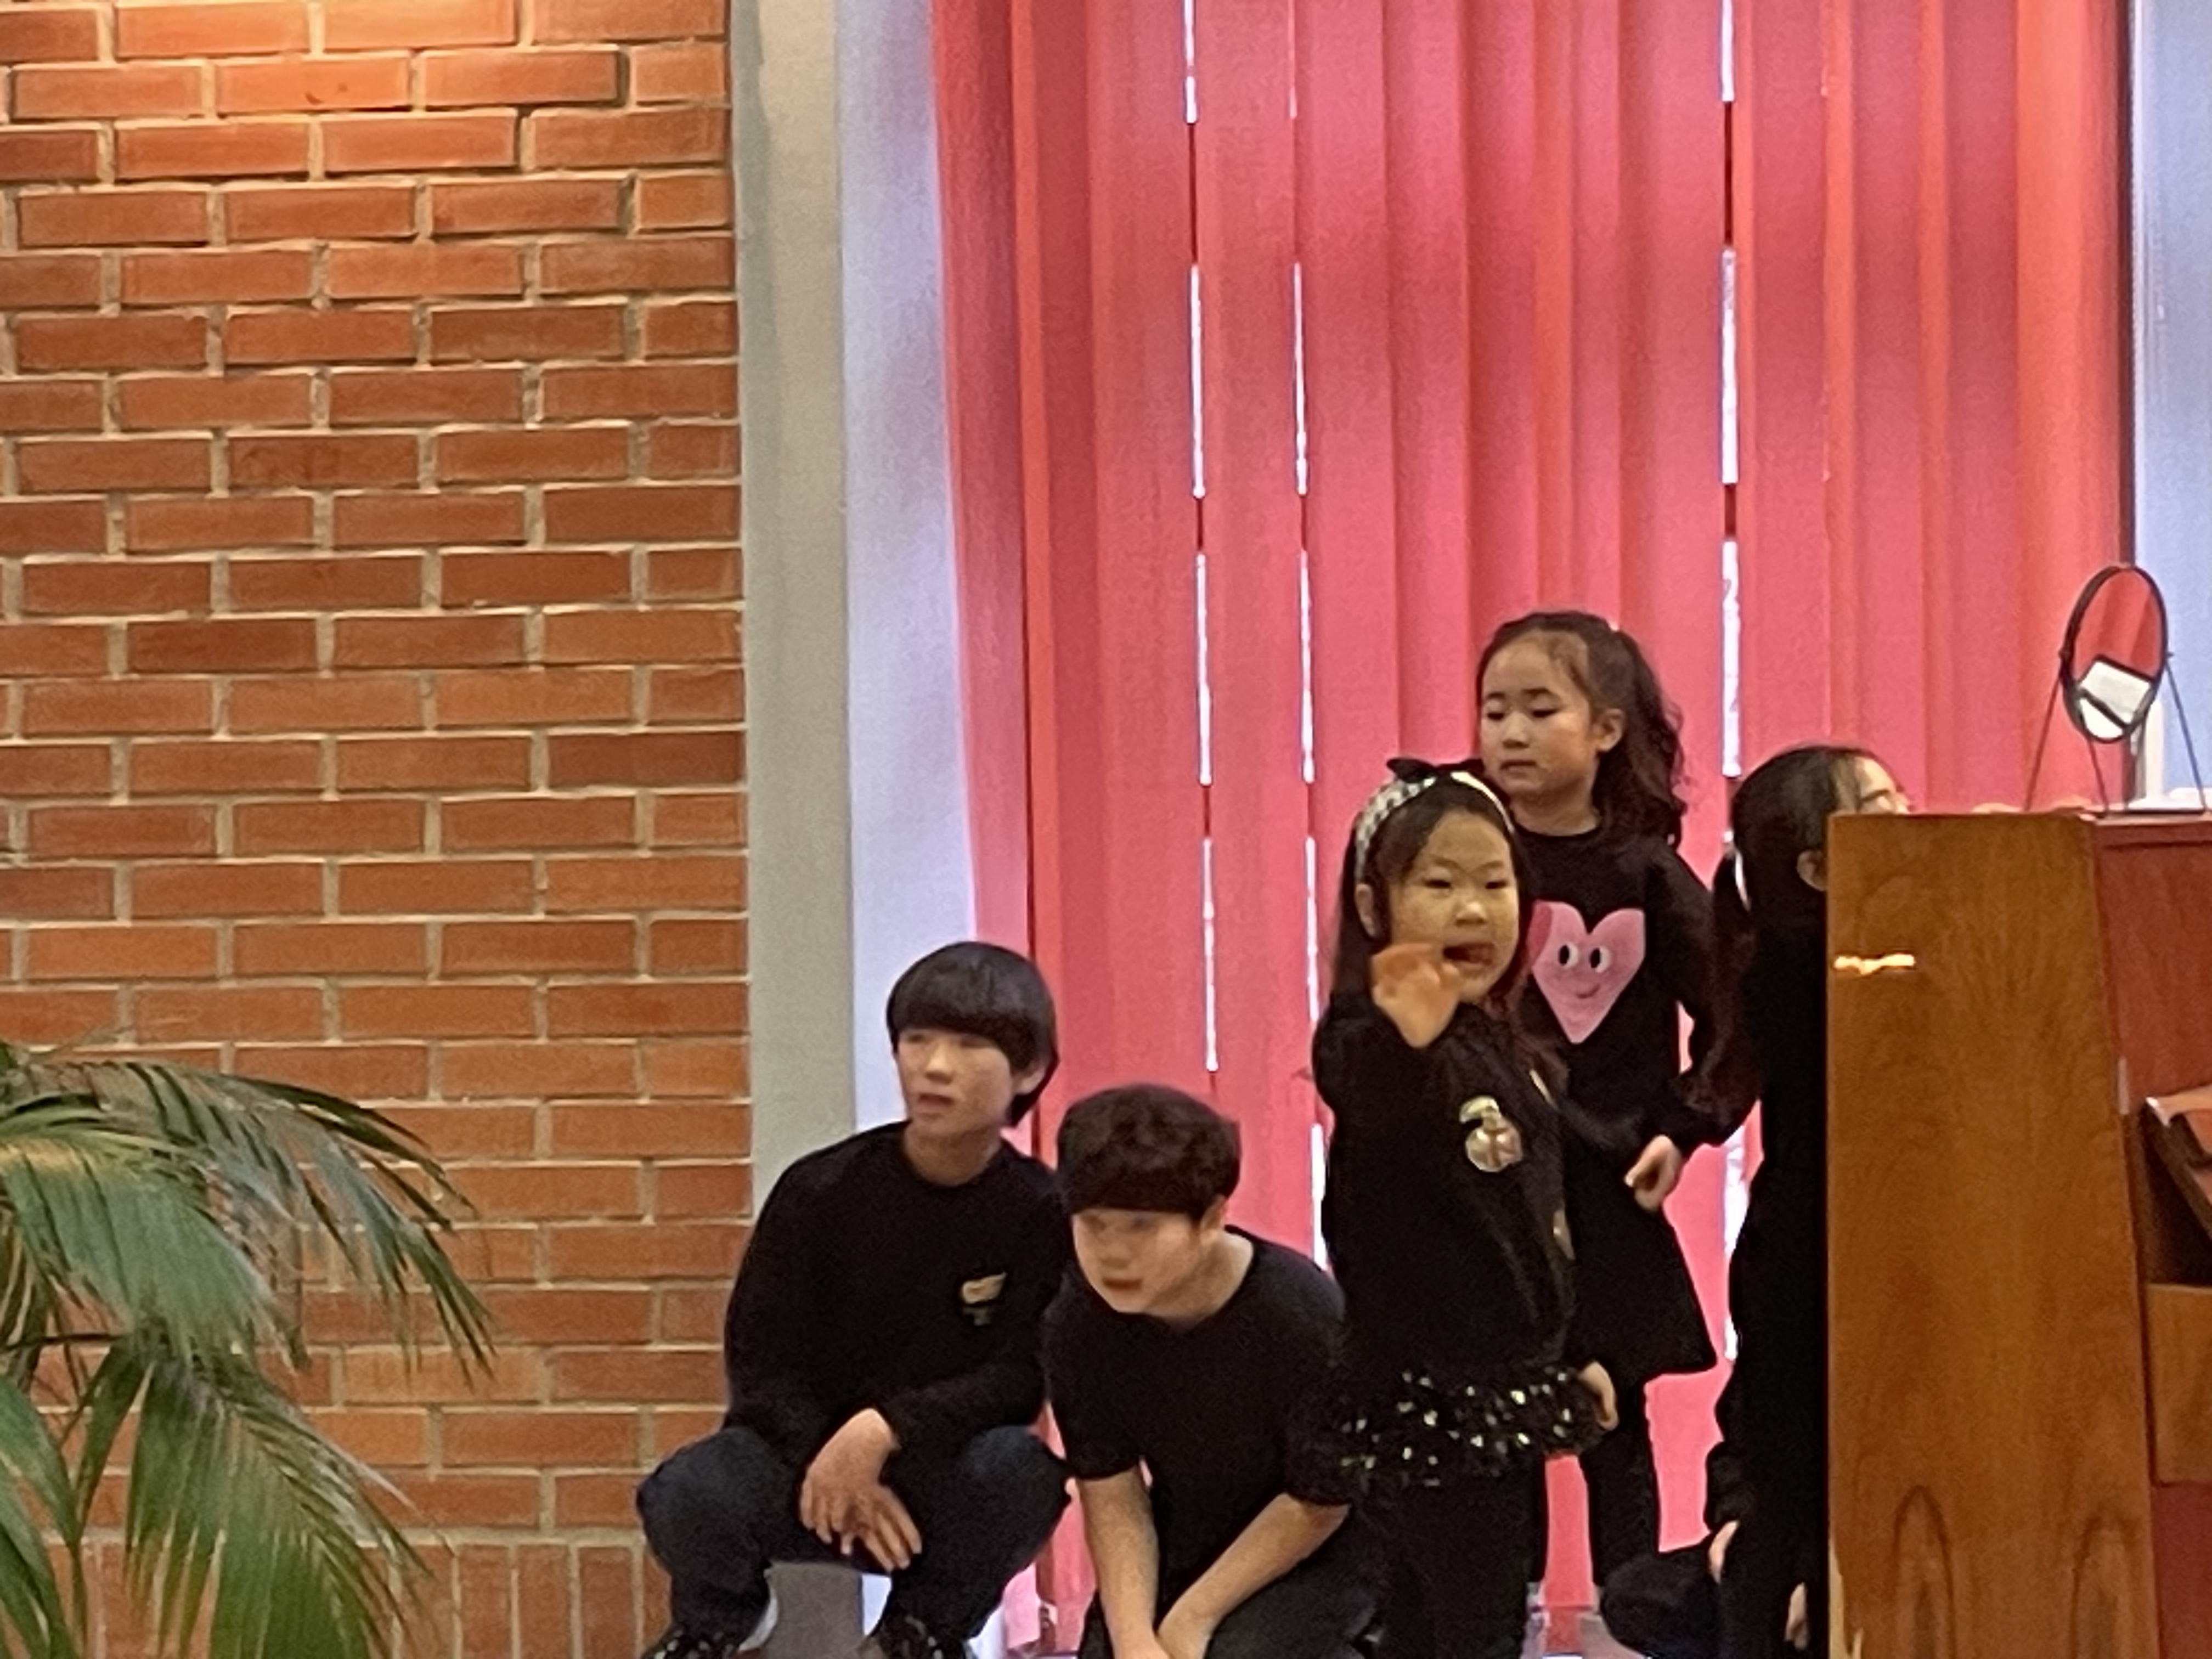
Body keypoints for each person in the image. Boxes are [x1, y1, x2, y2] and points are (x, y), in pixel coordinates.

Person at [634, 943, 1072, 1659]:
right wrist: (834, 1462)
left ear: (1028, 1071)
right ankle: (722, 1621)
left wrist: (882, 1432)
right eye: (917, 1040)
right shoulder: (820, 1190)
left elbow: (1020, 1378)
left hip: (935, 1476)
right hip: (803, 1464)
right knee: (688, 1491)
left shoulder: (1042, 1212)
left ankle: (919, 1631)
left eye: (968, 1046)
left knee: (1021, 1475)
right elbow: (761, 1365)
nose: (934, 1066)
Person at [1312, 757, 1618, 1659]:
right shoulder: (1370, 1036)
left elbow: (1533, 1215)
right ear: (1373, 907)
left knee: (1461, 1609)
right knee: (1467, 1615)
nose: (1473, 909)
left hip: (1511, 1379)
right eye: (1439, 885)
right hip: (1429, 1392)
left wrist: (1575, 1350)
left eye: (1495, 883)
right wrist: (1407, 1026)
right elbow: (1375, 1091)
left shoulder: (1499, 1037)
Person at [1475, 611, 1720, 1583]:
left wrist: (1682, 1129)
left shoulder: (1645, 872)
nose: (1512, 732)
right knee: (1498, 1418)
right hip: (1491, 1189)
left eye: (1540, 709)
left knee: (1613, 1416)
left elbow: (1732, 1019)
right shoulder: (1467, 857)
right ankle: (1507, 1616)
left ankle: (1627, 1616)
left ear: (1607, 729)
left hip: (1609, 1187)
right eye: (1495, 710)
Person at [1691, 743, 1906, 1657]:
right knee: (1801, 1502)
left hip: (1817, 1254)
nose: (1911, 819)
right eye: (1883, 807)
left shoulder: (1820, 960)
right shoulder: (1819, 976)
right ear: (1819, 869)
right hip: (1811, 1263)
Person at [1045, 1083, 1382, 1659]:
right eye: (1095, 1225)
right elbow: (1113, 1491)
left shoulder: (1301, 1317)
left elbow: (1319, 1501)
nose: (1114, 1252)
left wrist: (1193, 1620)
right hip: (1189, 1531)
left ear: (1212, 1219)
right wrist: (1135, 1643)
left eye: (1142, 1226)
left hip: (1329, 1542)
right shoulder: (1078, 1320)